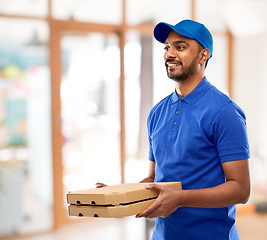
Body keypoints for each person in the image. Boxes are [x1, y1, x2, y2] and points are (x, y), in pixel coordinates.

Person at [98, 19, 250, 240]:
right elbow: (153, 180)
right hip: (163, 235)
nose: (169, 54)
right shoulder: (156, 113)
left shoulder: (224, 112)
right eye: (167, 47)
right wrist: (116, 196)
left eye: (180, 47)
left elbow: (241, 190)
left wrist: (180, 198)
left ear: (203, 55)